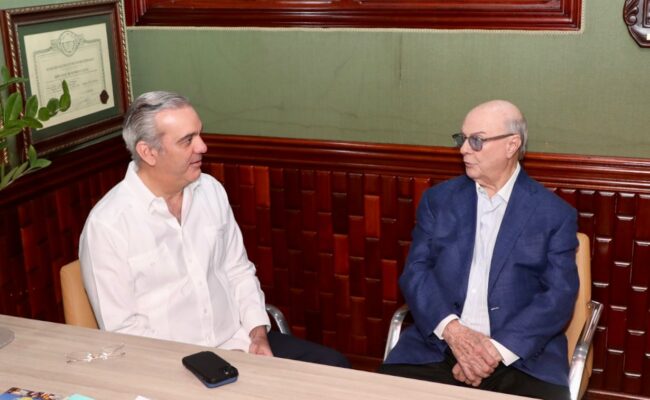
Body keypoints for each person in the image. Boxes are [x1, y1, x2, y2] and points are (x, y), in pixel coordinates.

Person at [79, 91, 348, 368]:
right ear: (148, 152)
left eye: (199, 134)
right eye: (187, 140)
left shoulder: (210, 191)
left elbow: (238, 270)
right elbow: (124, 332)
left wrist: (257, 334)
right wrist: (203, 366)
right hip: (171, 366)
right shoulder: (108, 225)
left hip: (238, 342)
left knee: (335, 367)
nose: (203, 146)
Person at [379, 100, 579, 400]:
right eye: (462, 138)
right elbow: (416, 273)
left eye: (476, 140)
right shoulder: (439, 201)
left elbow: (559, 296)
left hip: (520, 355)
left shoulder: (553, 214)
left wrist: (491, 352)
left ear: (512, 145)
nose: (463, 149)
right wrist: (454, 332)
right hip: (438, 345)